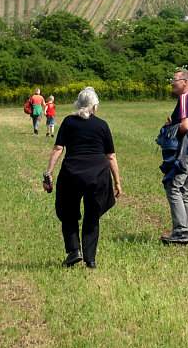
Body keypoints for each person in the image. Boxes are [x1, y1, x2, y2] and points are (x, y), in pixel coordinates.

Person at [44, 86, 122, 268]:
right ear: (94, 106)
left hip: (72, 173)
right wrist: (117, 181)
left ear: (78, 104)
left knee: (68, 212)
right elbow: (110, 156)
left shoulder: (68, 122)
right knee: (92, 216)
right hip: (98, 175)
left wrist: (49, 173)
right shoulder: (102, 125)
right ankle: (90, 259)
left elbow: (58, 149)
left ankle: (74, 250)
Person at [161, 69, 188, 245]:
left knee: (174, 189)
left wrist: (169, 131)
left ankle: (181, 232)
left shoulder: (185, 98)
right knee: (184, 191)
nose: (172, 82)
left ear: (185, 82)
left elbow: (186, 125)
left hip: (184, 154)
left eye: (175, 79)